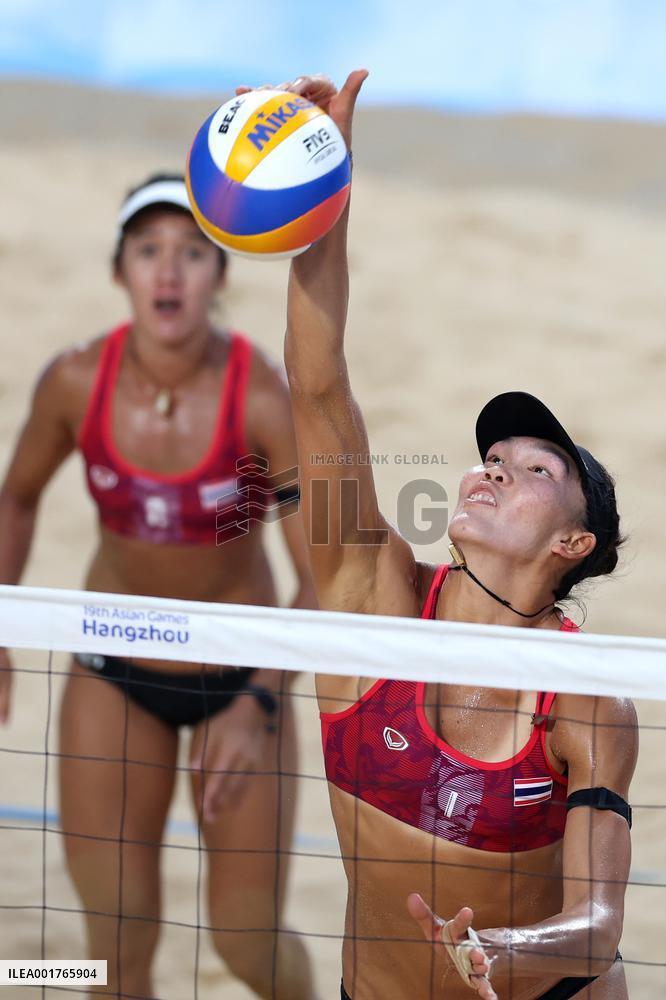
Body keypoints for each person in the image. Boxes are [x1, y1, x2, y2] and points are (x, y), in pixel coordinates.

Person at [244, 71, 638, 999]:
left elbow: (600, 926)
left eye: (537, 470)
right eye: (492, 454)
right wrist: (321, 184)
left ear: (572, 547)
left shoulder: (586, 702)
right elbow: (317, 382)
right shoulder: (367, 594)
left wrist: (515, 950)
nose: (496, 466)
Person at [0, 173, 318, 1000]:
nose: (169, 272)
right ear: (121, 272)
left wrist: (260, 702)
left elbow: (326, 577)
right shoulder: (73, 382)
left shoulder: (261, 396)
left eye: (190, 254)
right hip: (117, 675)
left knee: (248, 947)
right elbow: (16, 498)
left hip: (241, 683)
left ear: (219, 275)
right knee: (111, 956)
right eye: (149, 252)